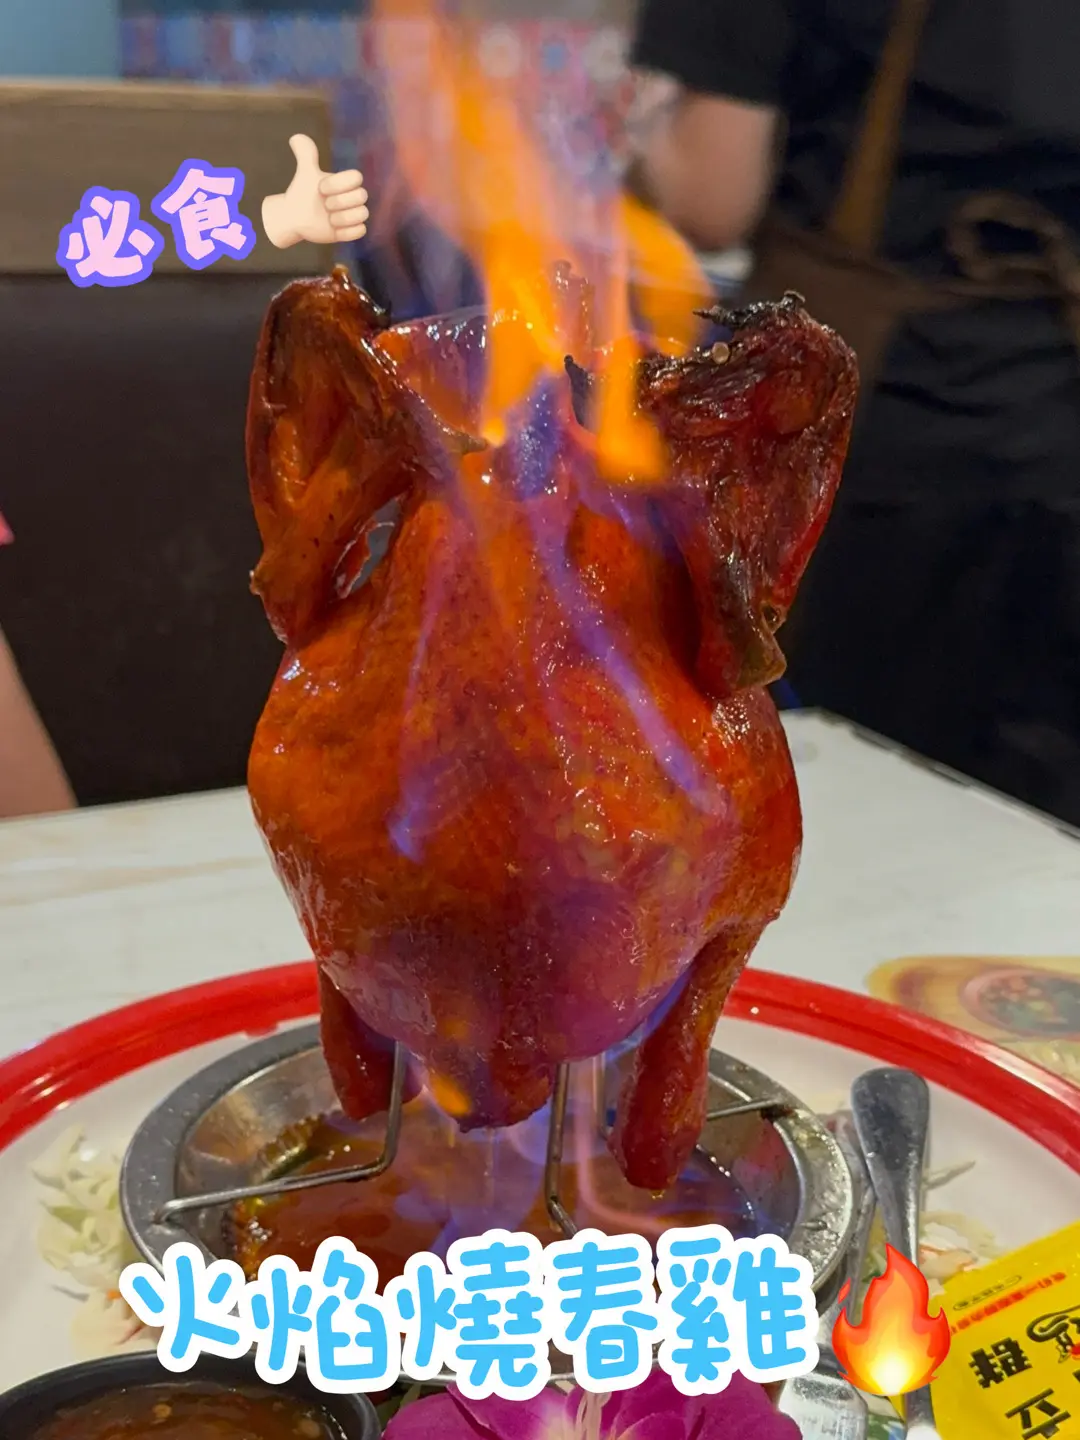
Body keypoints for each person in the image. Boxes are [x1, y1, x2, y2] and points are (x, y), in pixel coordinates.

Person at [627, 0, 1080, 828]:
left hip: (877, 466)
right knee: (1036, 848)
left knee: (824, 817)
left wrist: (632, 125)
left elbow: (709, 194)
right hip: (1054, 436)